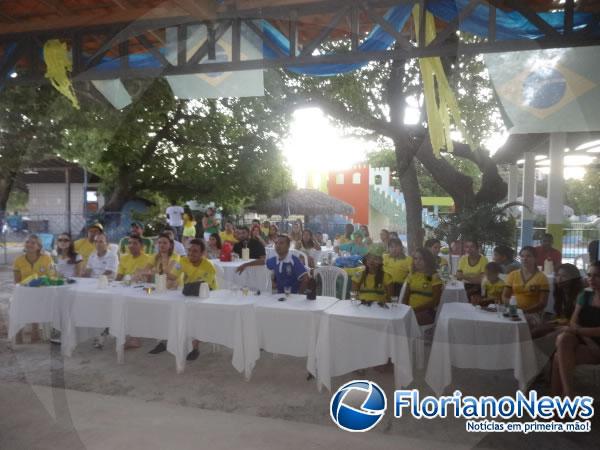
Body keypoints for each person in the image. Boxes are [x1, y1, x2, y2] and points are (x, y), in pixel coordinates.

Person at [551, 261, 600, 397]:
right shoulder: (585, 295)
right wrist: (589, 341)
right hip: (587, 343)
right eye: (589, 275)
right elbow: (573, 323)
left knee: (557, 358)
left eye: (597, 276)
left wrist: (577, 330)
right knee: (563, 337)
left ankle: (561, 399)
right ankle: (568, 394)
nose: (591, 279)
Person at [174, 239, 218, 361]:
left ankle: (195, 347)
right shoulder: (183, 260)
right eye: (189, 250)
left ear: (202, 253)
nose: (191, 254)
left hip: (208, 297)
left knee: (196, 315)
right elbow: (173, 275)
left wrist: (188, 288)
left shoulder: (208, 266)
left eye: (195, 251)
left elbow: (204, 286)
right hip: (189, 296)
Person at [13, 234, 54, 343]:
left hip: (42, 291)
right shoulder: (18, 260)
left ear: (39, 247)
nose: (29, 244)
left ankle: (35, 332)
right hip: (24, 291)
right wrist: (25, 288)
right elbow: (17, 282)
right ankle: (18, 334)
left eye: (33, 243)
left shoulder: (46, 258)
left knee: (37, 301)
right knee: (16, 304)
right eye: (27, 242)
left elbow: (51, 277)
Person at [236, 235, 308, 294]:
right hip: (279, 295)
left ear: (288, 246)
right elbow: (262, 261)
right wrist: (245, 264)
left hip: (293, 296)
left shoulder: (293, 260)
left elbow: (305, 278)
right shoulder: (274, 259)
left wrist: (299, 295)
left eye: (281, 243)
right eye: (276, 243)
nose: (278, 245)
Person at [502, 246, 549, 325]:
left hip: (532, 314)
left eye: (528, 256)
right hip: (513, 311)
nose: (525, 259)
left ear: (535, 258)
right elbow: (505, 296)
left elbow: (542, 303)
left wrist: (524, 311)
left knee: (518, 321)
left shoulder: (542, 278)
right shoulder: (513, 275)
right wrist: (512, 309)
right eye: (522, 256)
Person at [402, 248, 443, 325]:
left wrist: (415, 310)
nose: (417, 261)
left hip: (428, 311)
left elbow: (436, 301)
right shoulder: (412, 275)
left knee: (408, 321)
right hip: (411, 310)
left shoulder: (434, 276)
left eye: (421, 259)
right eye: (415, 258)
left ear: (428, 260)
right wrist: (405, 309)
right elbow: (405, 296)